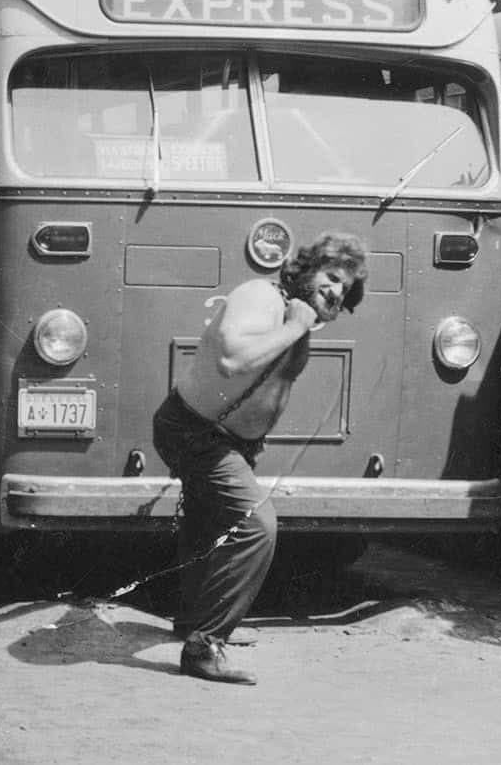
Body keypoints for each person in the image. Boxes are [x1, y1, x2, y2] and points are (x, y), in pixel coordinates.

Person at [151, 231, 368, 685]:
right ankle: (204, 647)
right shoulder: (260, 296)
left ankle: (194, 619)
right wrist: (294, 325)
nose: (335, 291)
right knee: (255, 525)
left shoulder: (296, 316)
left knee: (210, 522)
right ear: (307, 271)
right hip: (195, 430)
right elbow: (232, 358)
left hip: (229, 440)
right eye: (331, 278)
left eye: (344, 289)